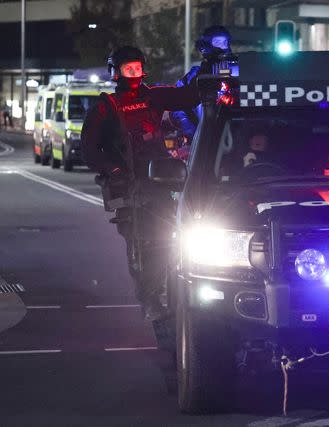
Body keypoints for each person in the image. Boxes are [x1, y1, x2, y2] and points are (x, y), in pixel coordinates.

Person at [81, 46, 201, 320]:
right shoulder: (105, 107)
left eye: (137, 68)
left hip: (161, 178)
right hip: (129, 185)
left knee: (175, 236)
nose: (134, 74)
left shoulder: (154, 96)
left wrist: (204, 71)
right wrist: (113, 170)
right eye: (127, 69)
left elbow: (188, 97)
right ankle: (150, 299)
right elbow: (89, 148)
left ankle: (177, 288)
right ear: (116, 72)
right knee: (143, 243)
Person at [170, 26, 233, 155]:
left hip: (235, 140)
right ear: (206, 45)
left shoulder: (238, 71)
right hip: (204, 143)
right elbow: (177, 107)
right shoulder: (195, 77)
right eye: (218, 42)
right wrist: (193, 132)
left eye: (225, 43)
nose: (223, 47)